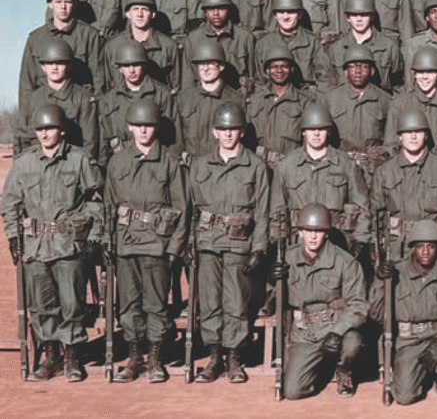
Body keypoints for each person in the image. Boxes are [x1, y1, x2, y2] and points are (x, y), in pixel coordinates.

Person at [2, 103, 104, 382]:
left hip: (69, 245)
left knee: (72, 304)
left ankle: (73, 357)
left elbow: (95, 201)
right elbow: (9, 202)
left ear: (61, 131)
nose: (45, 134)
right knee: (43, 305)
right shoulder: (24, 163)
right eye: (40, 129)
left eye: (50, 128)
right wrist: (13, 235)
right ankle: (52, 356)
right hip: (35, 246)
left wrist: (92, 237)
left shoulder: (79, 160)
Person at [104, 100, 189, 383]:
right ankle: (134, 357)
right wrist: (109, 243)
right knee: (129, 304)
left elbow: (182, 208)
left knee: (155, 304)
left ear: (156, 128)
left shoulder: (170, 161)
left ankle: (155, 358)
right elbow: (109, 205)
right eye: (138, 125)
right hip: (126, 244)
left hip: (157, 245)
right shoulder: (118, 162)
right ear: (129, 128)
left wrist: (174, 249)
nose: (143, 131)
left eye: (148, 125)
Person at [189, 103, 270, 384]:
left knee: (237, 302)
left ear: (242, 132)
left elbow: (263, 210)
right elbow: (190, 208)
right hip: (208, 243)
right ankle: (214, 358)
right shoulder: (199, 165)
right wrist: (190, 243)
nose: (227, 134)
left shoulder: (256, 166)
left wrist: (259, 247)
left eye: (233, 129)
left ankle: (235, 358)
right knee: (210, 302)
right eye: (222, 129)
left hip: (239, 243)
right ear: (214, 132)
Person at [372, 220, 437, 404]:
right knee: (404, 397)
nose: (426, 251)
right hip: (408, 341)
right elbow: (376, 314)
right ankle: (419, 374)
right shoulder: (398, 272)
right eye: (420, 246)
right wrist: (380, 281)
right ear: (412, 248)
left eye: (431, 246)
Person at [278, 203, 367, 399]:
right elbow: (272, 300)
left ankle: (344, 370)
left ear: (326, 233)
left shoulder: (345, 261)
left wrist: (337, 331)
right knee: (293, 391)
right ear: (300, 232)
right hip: (304, 333)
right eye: (308, 230)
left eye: (318, 231)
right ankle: (324, 369)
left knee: (352, 343)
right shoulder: (286, 258)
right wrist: (271, 279)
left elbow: (359, 305)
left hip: (335, 326)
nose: (312, 236)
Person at [269, 104, 370, 257]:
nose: (316, 134)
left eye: (321, 129)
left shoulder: (346, 165)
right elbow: (276, 211)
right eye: (311, 129)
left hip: (337, 240)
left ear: (328, 131)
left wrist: (360, 241)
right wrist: (279, 245)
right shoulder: (286, 166)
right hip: (297, 242)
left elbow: (362, 207)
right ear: (303, 132)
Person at [372, 110, 437, 261]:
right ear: (400, 136)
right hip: (396, 247)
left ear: (426, 135)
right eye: (408, 132)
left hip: (432, 245)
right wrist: (378, 254)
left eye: (418, 132)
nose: (413, 136)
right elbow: (376, 217)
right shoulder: (385, 171)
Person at [20, 0, 103, 110]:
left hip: (78, 106)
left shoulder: (89, 35)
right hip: (44, 106)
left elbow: (98, 78)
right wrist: (25, 123)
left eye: (68, 2)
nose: (63, 7)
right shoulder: (35, 38)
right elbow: (26, 84)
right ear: (50, 4)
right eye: (58, 2)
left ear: (75, 4)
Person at [16, 39, 99, 162]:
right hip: (39, 164)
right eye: (49, 63)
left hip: (72, 164)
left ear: (69, 66)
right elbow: (24, 137)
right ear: (43, 67)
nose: (54, 67)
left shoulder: (83, 98)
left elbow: (90, 142)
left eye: (60, 63)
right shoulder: (35, 98)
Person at [98, 41, 177, 168]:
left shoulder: (162, 94)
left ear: (144, 65)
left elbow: (171, 137)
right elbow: (103, 139)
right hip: (120, 163)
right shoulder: (108, 99)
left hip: (155, 161)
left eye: (136, 64)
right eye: (126, 65)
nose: (131, 70)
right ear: (119, 69)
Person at [322, 46, 392, 183]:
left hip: (373, 170)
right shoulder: (329, 99)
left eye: (364, 67)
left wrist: (378, 157)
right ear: (345, 72)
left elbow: (391, 141)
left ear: (372, 71)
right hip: (339, 168)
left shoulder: (386, 101)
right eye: (353, 66)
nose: (358, 71)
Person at [384, 46, 437, 164]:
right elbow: (391, 145)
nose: (425, 77)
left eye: (430, 72)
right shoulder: (399, 105)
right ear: (414, 75)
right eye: (420, 72)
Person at [174, 40, 247, 160]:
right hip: (191, 167)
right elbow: (176, 139)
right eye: (201, 64)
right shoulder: (184, 99)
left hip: (224, 166)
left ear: (221, 66)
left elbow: (243, 138)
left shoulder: (236, 99)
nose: (205, 69)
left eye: (210, 63)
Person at [323, 0, 402, 94]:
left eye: (364, 14)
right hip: (344, 105)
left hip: (380, 104)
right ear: (348, 18)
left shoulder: (389, 46)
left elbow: (398, 84)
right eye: (354, 15)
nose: (359, 19)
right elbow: (329, 84)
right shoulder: (336, 49)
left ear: (372, 16)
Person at [103, 0, 181, 90]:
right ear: (128, 14)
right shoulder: (112, 46)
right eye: (135, 9)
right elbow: (108, 84)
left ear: (152, 14)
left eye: (145, 9)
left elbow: (176, 85)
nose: (140, 14)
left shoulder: (168, 46)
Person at [246, 45, 310, 167]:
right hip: (259, 165)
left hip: (290, 166)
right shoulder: (255, 100)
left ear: (291, 70)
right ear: (267, 71)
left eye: (284, 66)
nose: (279, 70)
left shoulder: (304, 102)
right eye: (274, 67)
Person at [182, 0, 256, 91]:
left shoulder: (245, 38)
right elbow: (187, 81)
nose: (216, 13)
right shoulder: (193, 39)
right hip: (203, 97)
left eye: (221, 8)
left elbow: (253, 76)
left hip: (237, 96)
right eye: (211, 9)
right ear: (205, 12)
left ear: (228, 10)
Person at [254, 0, 327, 92]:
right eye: (281, 12)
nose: (285, 17)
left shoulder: (313, 43)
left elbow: (325, 80)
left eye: (291, 12)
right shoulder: (264, 44)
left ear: (300, 15)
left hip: (307, 98)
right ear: (275, 15)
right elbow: (260, 82)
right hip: (274, 98)